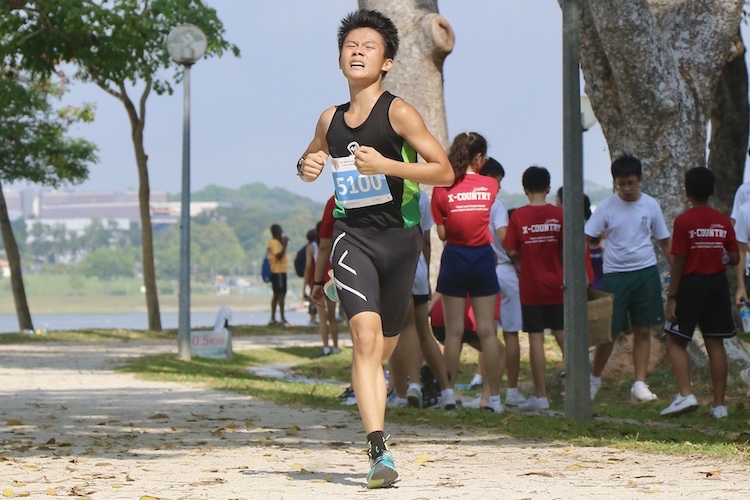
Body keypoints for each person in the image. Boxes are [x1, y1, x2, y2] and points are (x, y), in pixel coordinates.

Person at [296, 9, 454, 489]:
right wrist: (307, 164)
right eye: (351, 45)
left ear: (386, 61)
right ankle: (378, 450)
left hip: (401, 242)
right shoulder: (330, 118)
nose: (358, 51)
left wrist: (387, 165)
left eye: (369, 46)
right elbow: (309, 159)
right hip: (353, 237)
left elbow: (443, 171)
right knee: (365, 342)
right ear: (340, 58)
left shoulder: (399, 111)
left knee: (382, 348)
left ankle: (376, 409)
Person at [584, 155, 673, 402]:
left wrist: (676, 270)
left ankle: (639, 383)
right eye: (620, 184)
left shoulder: (650, 205)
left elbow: (664, 240)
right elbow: (586, 237)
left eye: (630, 183)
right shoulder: (606, 207)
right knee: (608, 333)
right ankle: (594, 379)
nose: (625, 188)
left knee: (643, 330)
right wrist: (581, 269)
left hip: (645, 272)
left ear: (640, 180)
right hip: (615, 275)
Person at [432, 132, 505, 414]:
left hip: (455, 258)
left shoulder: (442, 188)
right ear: (479, 158)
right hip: (482, 259)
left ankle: (448, 395)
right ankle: (495, 399)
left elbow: (442, 233)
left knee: (453, 333)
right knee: (487, 331)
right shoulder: (489, 185)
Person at [661, 167, 738, 419]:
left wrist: (672, 297)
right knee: (715, 343)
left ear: (686, 192)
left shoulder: (684, 221)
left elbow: (679, 261)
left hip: (691, 284)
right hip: (716, 284)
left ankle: (686, 395)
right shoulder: (723, 221)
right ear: (712, 191)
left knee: (676, 340)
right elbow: (735, 257)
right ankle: (719, 406)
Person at [503, 166, 564, 412]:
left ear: (525, 190)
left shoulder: (518, 216)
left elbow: (511, 249)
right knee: (562, 335)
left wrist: (521, 260)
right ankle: (579, 387)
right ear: (548, 188)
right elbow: (566, 248)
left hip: (530, 286)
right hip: (557, 284)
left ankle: (541, 396)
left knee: (536, 338)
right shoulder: (560, 214)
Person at [387, 189, 453, 409]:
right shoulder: (421, 196)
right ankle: (447, 391)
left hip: (395, 266)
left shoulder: (384, 188)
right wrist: (424, 272)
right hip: (418, 267)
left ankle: (406, 390)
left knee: (397, 331)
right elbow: (426, 241)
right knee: (424, 332)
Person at [481, 158, 526, 407]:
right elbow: (504, 238)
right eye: (497, 182)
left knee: (487, 334)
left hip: (482, 272)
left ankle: (487, 391)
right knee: (510, 334)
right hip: (505, 271)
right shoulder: (496, 204)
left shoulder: (471, 202)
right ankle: (512, 389)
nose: (497, 188)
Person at [266, 224, 289, 326]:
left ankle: (275, 318)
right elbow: (279, 256)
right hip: (277, 271)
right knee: (280, 295)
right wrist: (284, 245)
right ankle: (280, 317)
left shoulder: (277, 242)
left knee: (278, 294)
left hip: (281, 271)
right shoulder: (274, 242)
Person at [302, 228, 320, 328]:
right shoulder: (324, 244)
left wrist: (304, 287)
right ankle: (326, 318)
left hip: (314, 276)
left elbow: (308, 266)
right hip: (325, 274)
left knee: (313, 298)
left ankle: (313, 318)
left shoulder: (310, 247)